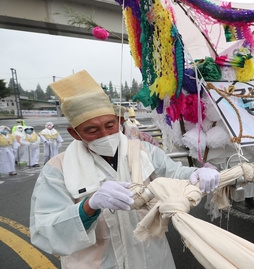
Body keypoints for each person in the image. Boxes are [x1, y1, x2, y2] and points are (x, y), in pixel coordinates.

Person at [29, 70, 220, 269]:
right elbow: (45, 230)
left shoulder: (143, 150)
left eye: (110, 125)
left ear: (121, 121)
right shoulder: (58, 169)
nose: (104, 135)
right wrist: (88, 206)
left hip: (151, 259)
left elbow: (173, 173)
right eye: (92, 131)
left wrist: (195, 173)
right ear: (74, 133)